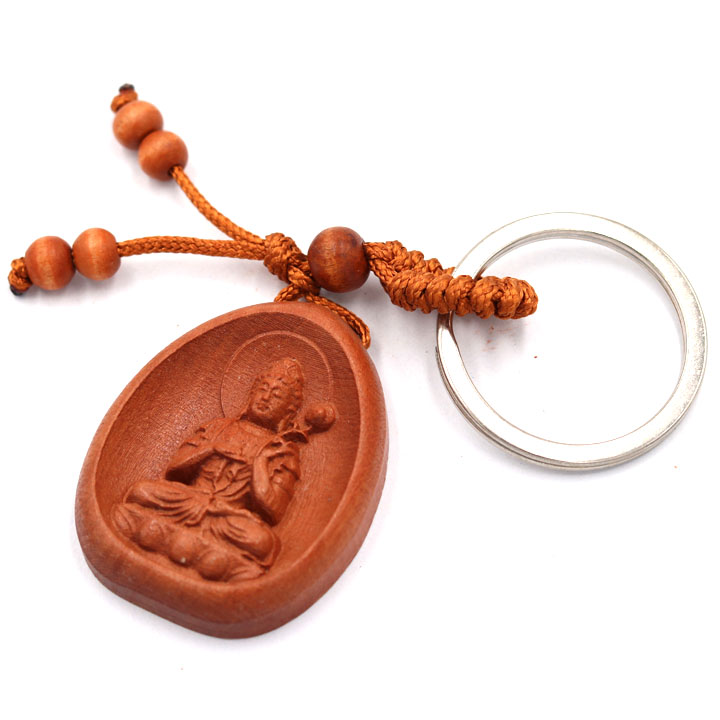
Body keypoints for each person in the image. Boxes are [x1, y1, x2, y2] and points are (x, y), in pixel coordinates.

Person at [113, 357, 306, 582]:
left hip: (227, 517)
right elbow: (174, 470)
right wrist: (209, 449)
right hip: (186, 501)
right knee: (142, 491)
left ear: (288, 411)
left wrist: (260, 464)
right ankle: (218, 561)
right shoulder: (218, 427)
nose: (265, 398)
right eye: (263, 390)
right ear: (252, 393)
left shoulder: (282, 451)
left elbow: (274, 511)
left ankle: (150, 530)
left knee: (262, 541)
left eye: (276, 396)